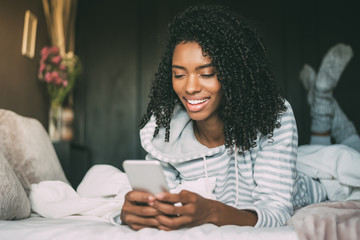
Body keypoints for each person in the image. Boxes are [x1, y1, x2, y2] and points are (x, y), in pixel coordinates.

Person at [120, 4, 327, 230]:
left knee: (343, 157)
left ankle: (323, 105)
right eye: (178, 74)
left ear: (233, 74)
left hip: (311, 186)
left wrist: (211, 211)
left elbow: (277, 212)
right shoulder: (167, 132)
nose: (189, 87)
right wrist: (138, 214)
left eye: (207, 73)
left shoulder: (272, 117)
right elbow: (163, 203)